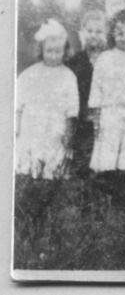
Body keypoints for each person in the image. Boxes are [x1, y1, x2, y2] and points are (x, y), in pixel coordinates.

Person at [89, 10, 125, 195]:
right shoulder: (105, 58)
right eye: (119, 33)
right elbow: (96, 88)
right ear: (112, 35)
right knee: (109, 149)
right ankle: (107, 190)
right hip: (110, 111)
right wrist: (96, 115)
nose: (124, 37)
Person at [16, 19, 79, 180]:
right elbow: (18, 104)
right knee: (30, 165)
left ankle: (49, 179)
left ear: (65, 51)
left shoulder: (68, 76)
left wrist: (69, 134)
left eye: (58, 51)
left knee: (52, 168)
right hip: (33, 126)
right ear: (41, 50)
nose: (53, 56)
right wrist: (16, 127)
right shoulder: (30, 74)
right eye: (49, 51)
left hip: (55, 127)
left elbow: (72, 109)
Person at [65, 8, 108, 177]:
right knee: (82, 163)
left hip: (106, 118)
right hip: (83, 120)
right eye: (89, 31)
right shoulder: (75, 62)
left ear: (106, 33)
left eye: (98, 31)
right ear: (82, 32)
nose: (93, 35)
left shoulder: (110, 58)